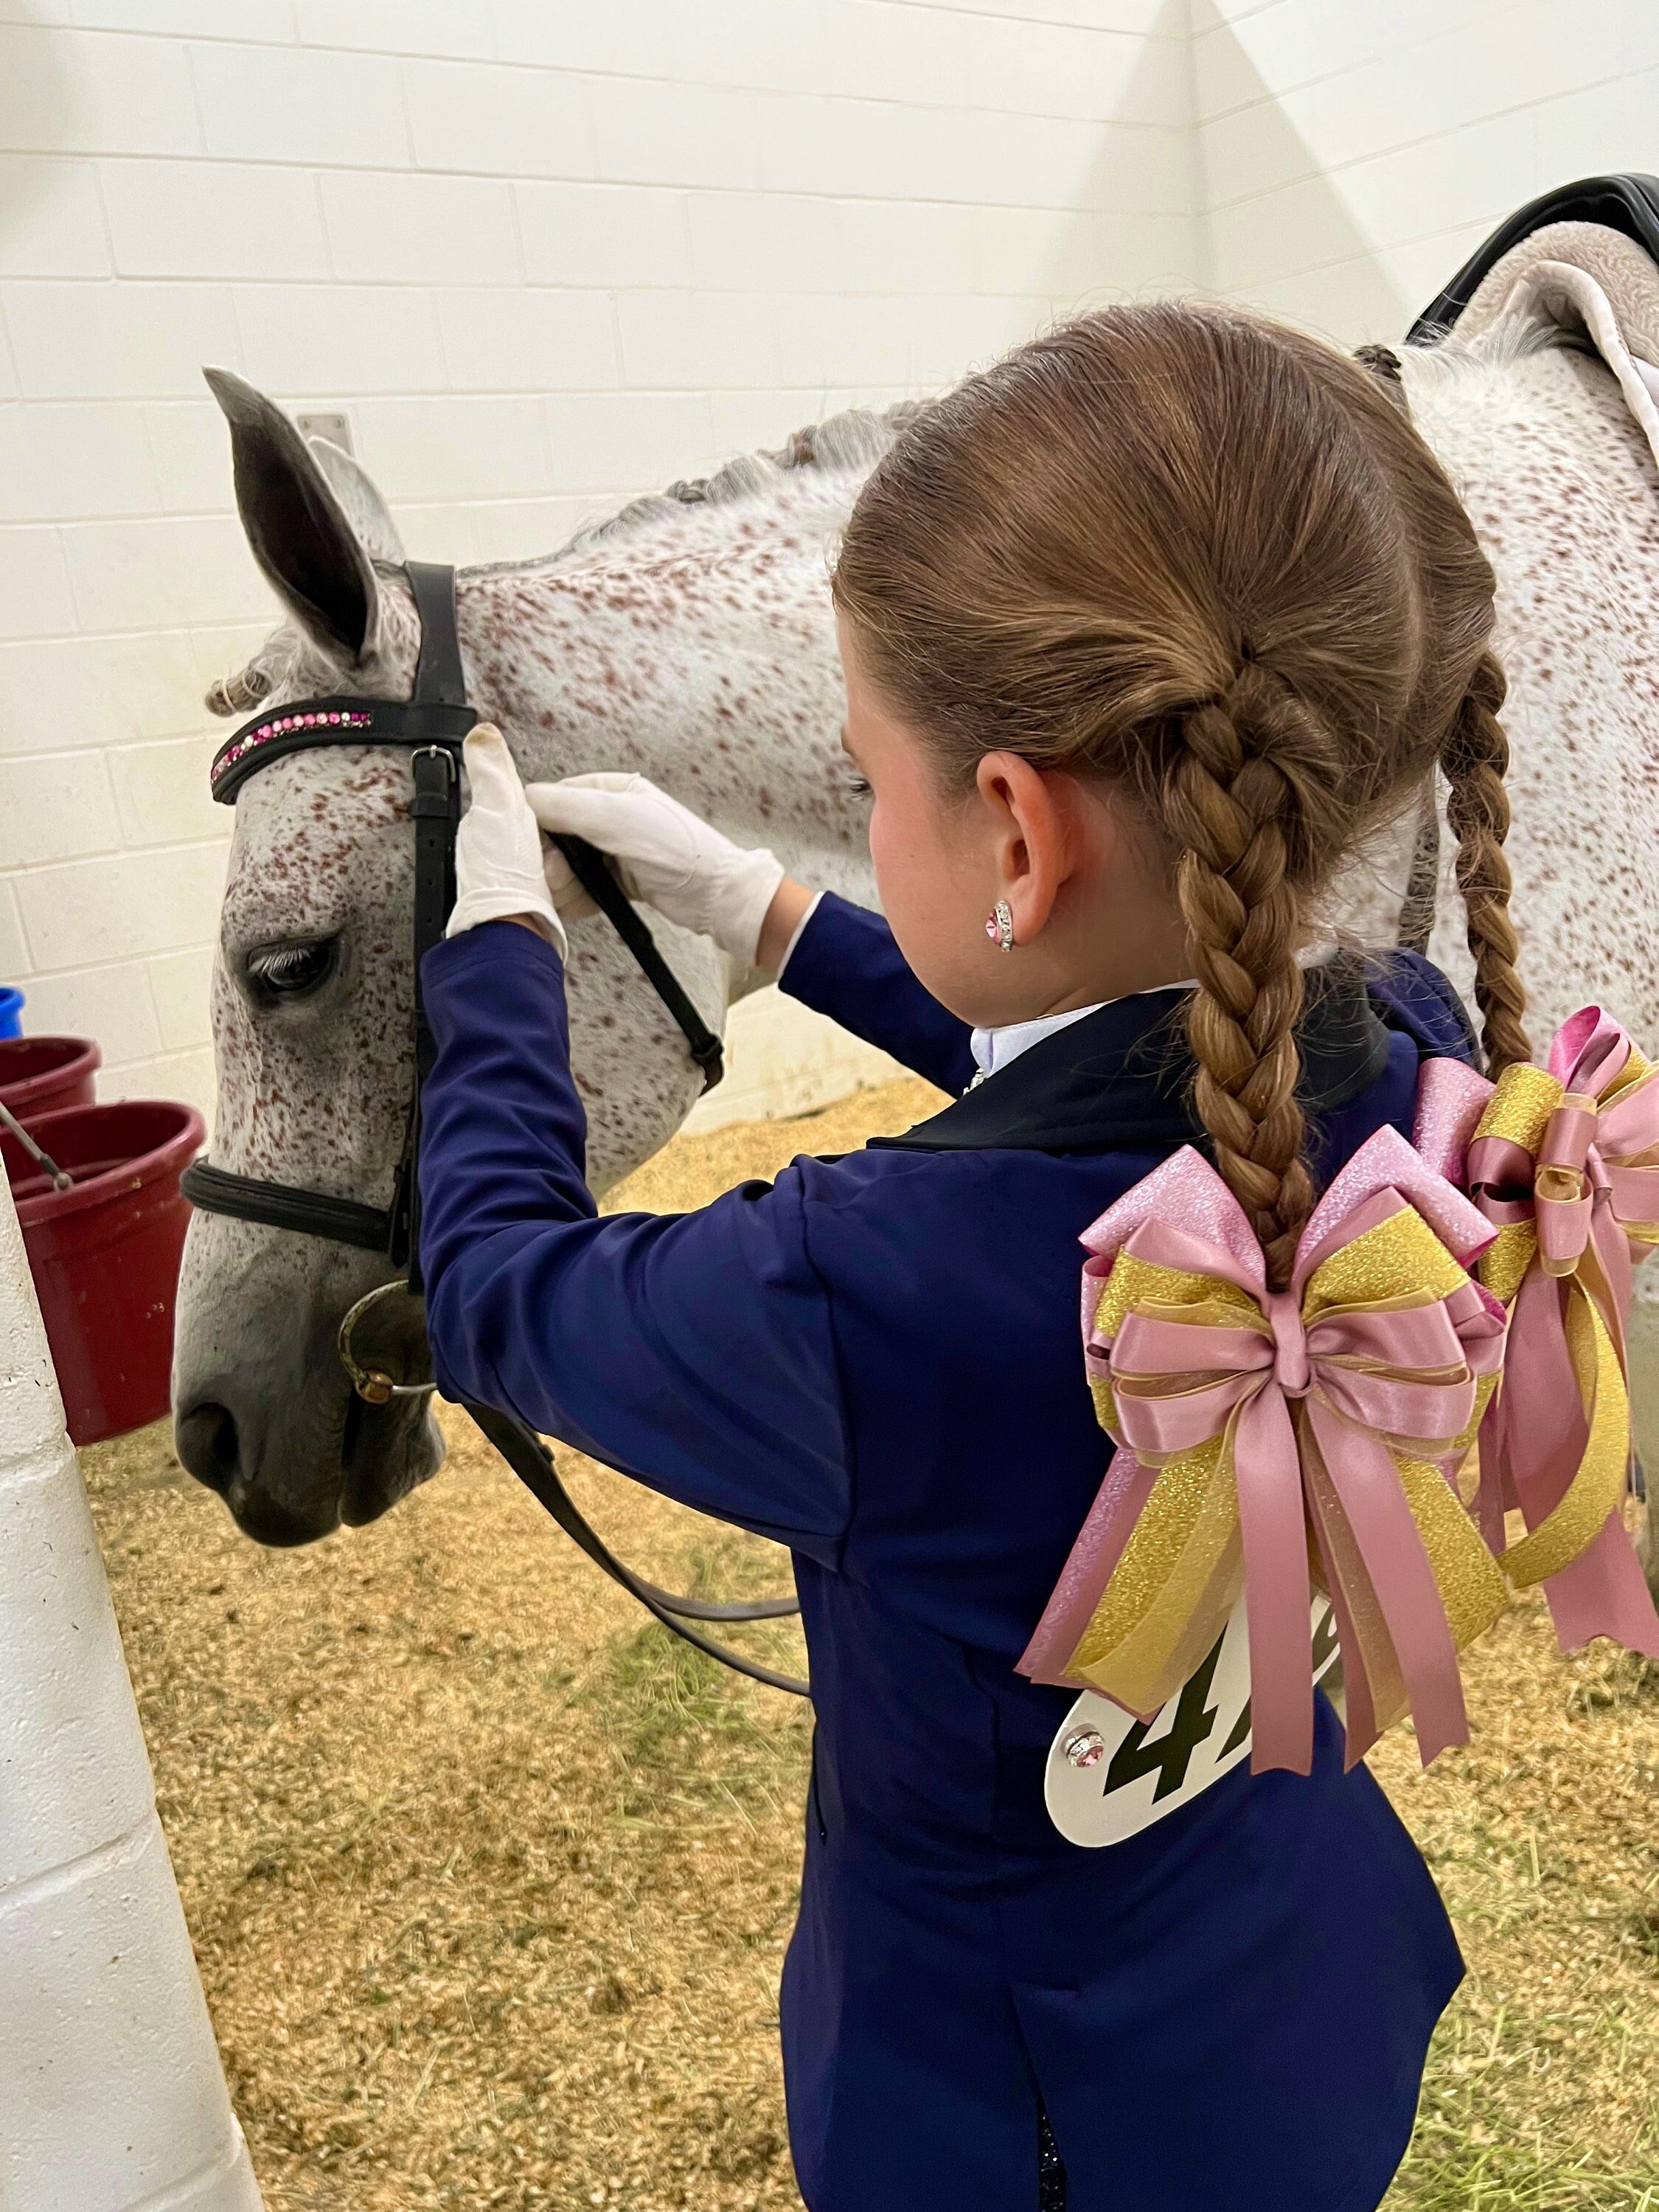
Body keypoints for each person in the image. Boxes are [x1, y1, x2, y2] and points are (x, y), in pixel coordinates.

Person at [414, 302, 1545, 2211]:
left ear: (1012, 827)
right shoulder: (1424, 1049)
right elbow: (1119, 1076)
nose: (859, 818)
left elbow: (497, 1289)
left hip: (1027, 2134)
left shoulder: (850, 1297)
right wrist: (777, 914)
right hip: (1294, 1997)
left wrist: (494, 951)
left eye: (865, 778)